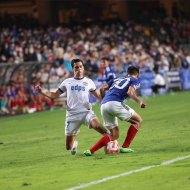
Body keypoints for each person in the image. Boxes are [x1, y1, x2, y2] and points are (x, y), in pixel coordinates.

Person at [35, 58, 108, 155]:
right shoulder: (67, 82)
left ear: (83, 68)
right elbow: (54, 95)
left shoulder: (89, 82)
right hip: (72, 116)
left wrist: (104, 94)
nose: (79, 69)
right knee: (68, 147)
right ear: (73, 69)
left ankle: (111, 141)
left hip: (86, 112)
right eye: (76, 67)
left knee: (97, 125)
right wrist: (42, 91)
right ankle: (74, 144)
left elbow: (99, 96)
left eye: (81, 66)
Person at [84, 66, 146, 156]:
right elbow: (130, 92)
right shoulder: (134, 79)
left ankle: (90, 151)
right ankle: (125, 147)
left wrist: (102, 101)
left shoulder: (117, 78)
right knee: (138, 121)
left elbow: (102, 89)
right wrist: (140, 102)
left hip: (104, 105)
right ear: (137, 74)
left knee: (114, 135)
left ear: (127, 73)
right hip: (115, 103)